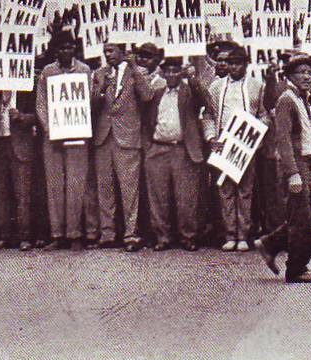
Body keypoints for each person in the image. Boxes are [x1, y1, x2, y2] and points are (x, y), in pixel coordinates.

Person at [255, 54, 311, 283]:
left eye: (309, 72)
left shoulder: (304, 98)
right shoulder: (287, 100)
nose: (307, 76)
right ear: (290, 76)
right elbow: (283, 138)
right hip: (295, 163)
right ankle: (296, 268)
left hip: (306, 161)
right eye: (301, 72)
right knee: (302, 218)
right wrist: (292, 173)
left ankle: (270, 243)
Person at [202, 44, 268, 252]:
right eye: (230, 63)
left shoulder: (257, 86)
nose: (233, 68)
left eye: (238, 63)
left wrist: (258, 132)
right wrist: (212, 137)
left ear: (246, 65)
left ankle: (243, 235)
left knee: (245, 190)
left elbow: (264, 113)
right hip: (224, 141)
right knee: (226, 189)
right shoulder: (216, 87)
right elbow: (209, 115)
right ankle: (230, 233)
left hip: (246, 143)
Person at [35, 31, 96, 251]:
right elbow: (41, 104)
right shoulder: (47, 72)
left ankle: (75, 233)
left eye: (69, 47)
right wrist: (49, 128)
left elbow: (87, 100)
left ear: (74, 49)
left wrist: (76, 125)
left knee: (76, 183)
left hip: (77, 133)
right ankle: (57, 234)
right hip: (53, 136)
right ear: (55, 50)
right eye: (61, 47)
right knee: (54, 184)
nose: (65, 51)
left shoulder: (84, 70)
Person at [91, 42, 155, 251]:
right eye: (105, 52)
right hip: (103, 137)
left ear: (121, 51)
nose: (107, 55)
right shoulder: (99, 74)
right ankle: (107, 233)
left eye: (111, 51)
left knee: (129, 188)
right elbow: (91, 104)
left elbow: (147, 96)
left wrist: (135, 69)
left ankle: (131, 234)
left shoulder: (137, 72)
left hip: (127, 137)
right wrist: (101, 89)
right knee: (105, 187)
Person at [143, 57, 207, 251]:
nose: (171, 74)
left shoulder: (189, 92)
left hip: (182, 148)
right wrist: (150, 146)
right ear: (163, 73)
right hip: (158, 148)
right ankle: (162, 237)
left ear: (181, 73)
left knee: (186, 196)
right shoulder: (157, 93)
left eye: (175, 71)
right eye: (168, 71)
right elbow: (148, 119)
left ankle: (188, 236)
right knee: (158, 196)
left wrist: (193, 77)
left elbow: (204, 100)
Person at [0, 65, 39, 251]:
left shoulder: (27, 87)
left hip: (20, 145)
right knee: (1, 193)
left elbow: (39, 115)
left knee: (22, 193)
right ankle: (5, 236)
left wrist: (22, 117)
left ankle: (25, 237)